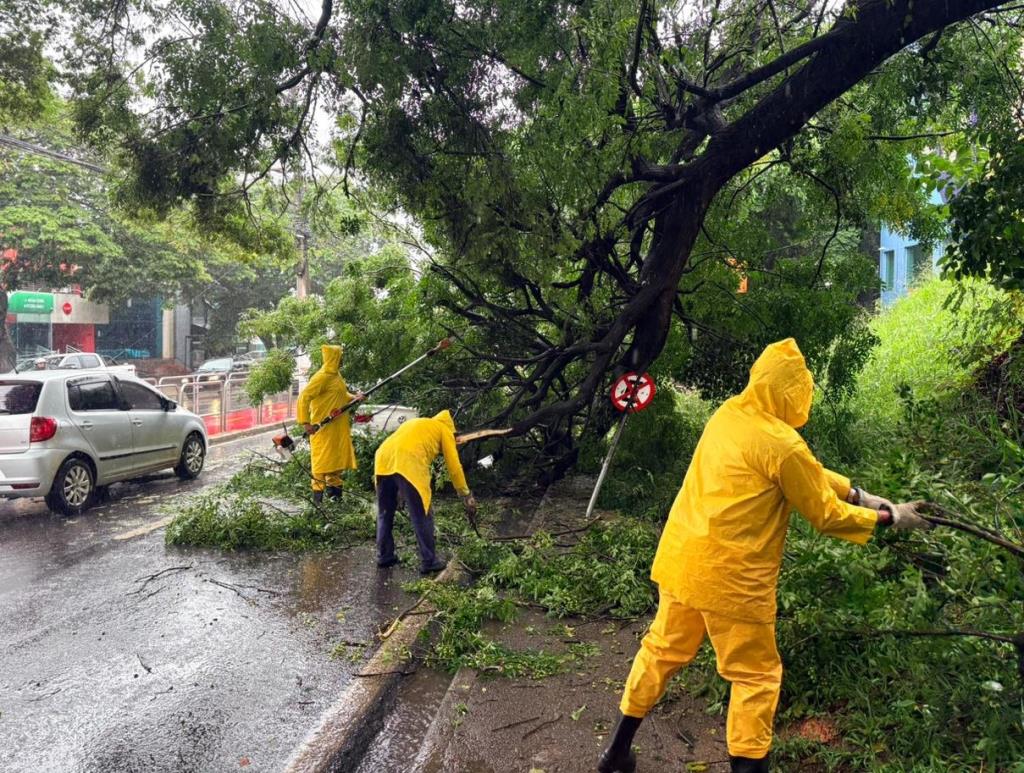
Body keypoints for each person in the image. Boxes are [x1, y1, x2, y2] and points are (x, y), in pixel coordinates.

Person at [597, 338, 933, 773]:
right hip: (733, 583)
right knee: (754, 678)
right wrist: (890, 519)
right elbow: (826, 515)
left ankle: (616, 753)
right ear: (794, 393)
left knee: (660, 651)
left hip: (683, 563)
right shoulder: (783, 444)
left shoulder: (729, 414)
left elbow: (806, 471)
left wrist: (863, 495)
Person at [374, 409, 477, 574]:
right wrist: (465, 494)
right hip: (409, 462)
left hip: (383, 460)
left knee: (385, 512)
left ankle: (384, 556)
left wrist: (399, 491)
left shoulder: (420, 424)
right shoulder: (444, 430)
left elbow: (398, 454)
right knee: (422, 513)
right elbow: (454, 466)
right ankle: (429, 561)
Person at [296, 344, 364, 504]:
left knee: (335, 465)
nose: (342, 360)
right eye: (340, 357)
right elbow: (304, 397)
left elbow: (340, 394)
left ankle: (336, 502)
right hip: (323, 429)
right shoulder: (322, 377)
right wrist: (306, 422)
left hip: (337, 429)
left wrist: (354, 397)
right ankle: (317, 504)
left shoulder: (336, 376)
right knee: (320, 466)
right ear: (334, 358)